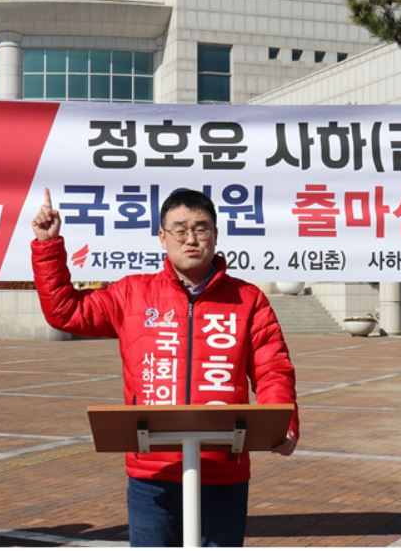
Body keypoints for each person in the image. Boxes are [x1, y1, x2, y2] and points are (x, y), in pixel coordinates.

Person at [31, 187, 299, 547]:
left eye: (201, 228)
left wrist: (281, 421)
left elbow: (273, 369)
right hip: (153, 472)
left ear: (215, 236)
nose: (191, 239)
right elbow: (66, 312)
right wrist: (49, 246)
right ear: (162, 237)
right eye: (180, 229)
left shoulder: (248, 299)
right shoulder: (131, 294)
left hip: (223, 471)